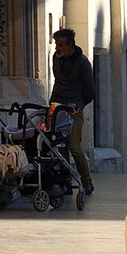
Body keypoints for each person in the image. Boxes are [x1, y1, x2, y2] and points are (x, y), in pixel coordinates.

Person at [49, 29, 96, 196]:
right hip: (56, 106)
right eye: (56, 44)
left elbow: (90, 90)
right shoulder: (56, 58)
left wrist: (78, 105)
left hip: (74, 109)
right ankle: (65, 180)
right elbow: (58, 80)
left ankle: (86, 180)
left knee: (74, 146)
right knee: (58, 145)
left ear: (70, 46)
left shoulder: (83, 63)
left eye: (60, 45)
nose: (57, 48)